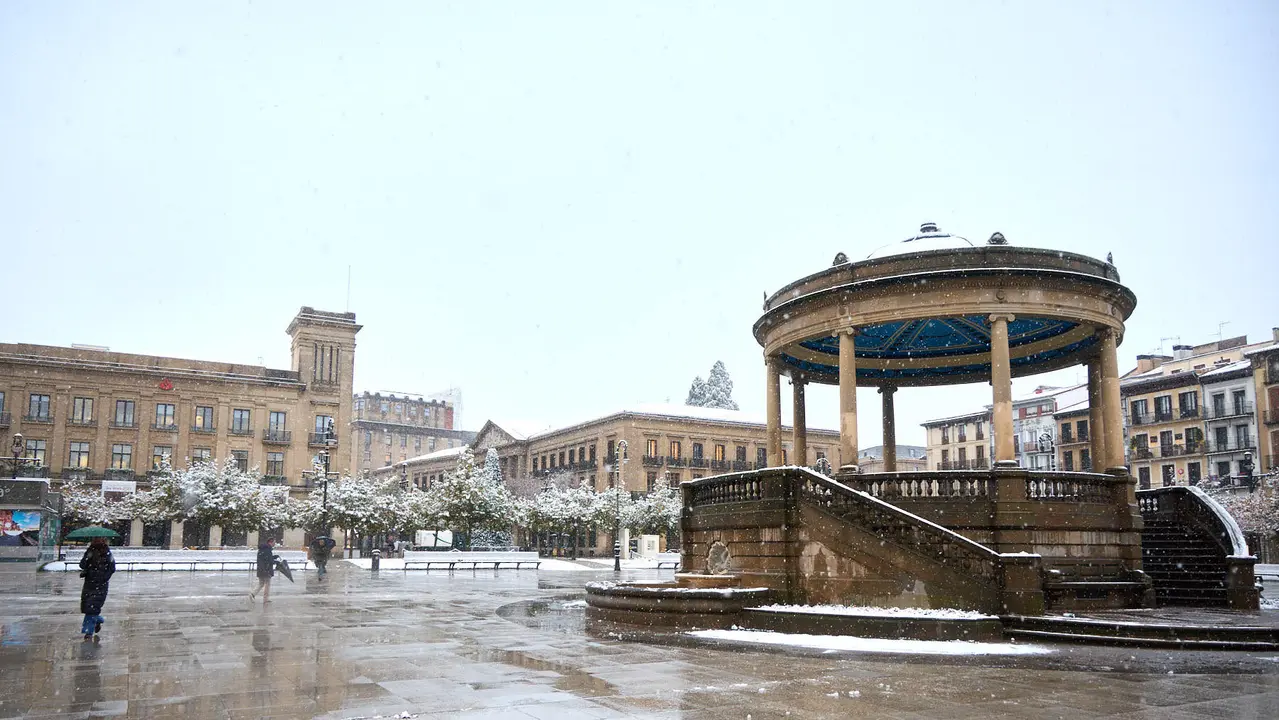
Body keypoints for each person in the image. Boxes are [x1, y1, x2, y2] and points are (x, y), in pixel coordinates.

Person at [79, 538, 116, 640]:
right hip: (89, 584)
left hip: (100, 585)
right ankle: (98, 620)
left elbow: (112, 568)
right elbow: (82, 565)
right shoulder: (90, 552)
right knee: (88, 608)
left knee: (92, 609)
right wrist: (87, 557)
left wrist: (104, 578)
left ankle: (88, 633)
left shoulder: (108, 554)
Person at [249, 537, 275, 603]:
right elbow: (269, 560)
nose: (274, 544)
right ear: (270, 542)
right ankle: (266, 599)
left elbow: (264, 558)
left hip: (261, 569)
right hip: (266, 569)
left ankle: (252, 594)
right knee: (267, 584)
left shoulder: (262, 549)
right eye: (274, 542)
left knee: (261, 583)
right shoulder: (268, 549)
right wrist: (274, 561)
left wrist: (273, 557)